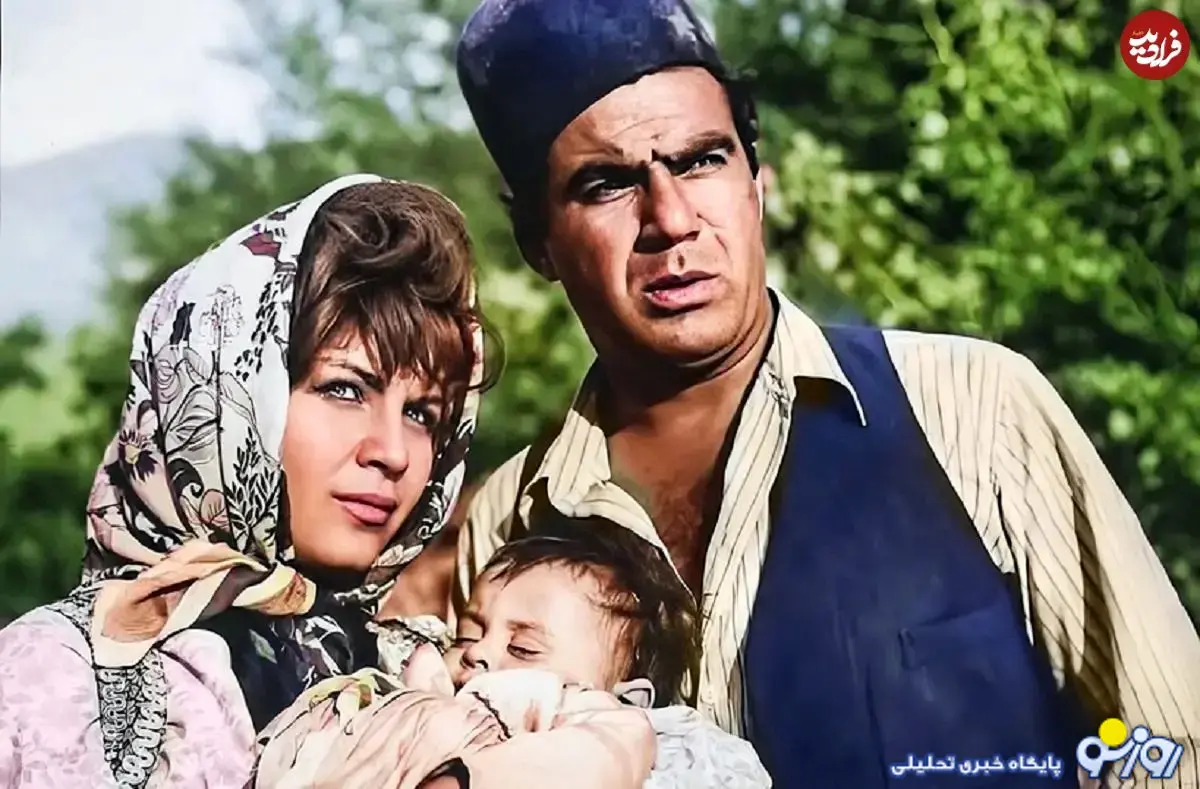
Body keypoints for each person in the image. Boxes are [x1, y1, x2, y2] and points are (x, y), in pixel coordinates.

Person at [451, 1, 1200, 787]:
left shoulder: (975, 407)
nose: (671, 219)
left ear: (756, 184)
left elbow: (1171, 743)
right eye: (607, 184)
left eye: (702, 160)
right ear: (539, 243)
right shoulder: (511, 519)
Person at [0, 174, 490, 789]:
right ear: (220, 403)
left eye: (422, 414)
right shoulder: (46, 676)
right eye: (344, 389)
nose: (393, 453)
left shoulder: (433, 674)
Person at [253, 517, 770, 789]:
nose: (478, 653)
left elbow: (591, 760)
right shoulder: (407, 685)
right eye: (466, 634)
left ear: (624, 695)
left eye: (523, 648)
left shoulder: (604, 725)